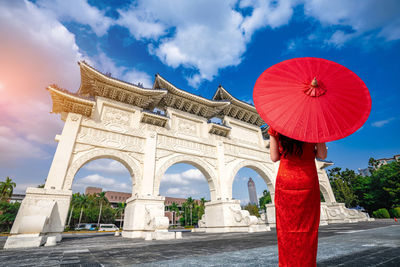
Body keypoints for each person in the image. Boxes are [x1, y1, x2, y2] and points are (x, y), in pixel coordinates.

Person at [268, 127, 327, 267]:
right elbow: (322, 155)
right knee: (308, 228)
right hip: (307, 179)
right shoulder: (313, 125)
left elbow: (274, 157)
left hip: (286, 180)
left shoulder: (276, 127)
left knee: (286, 230)